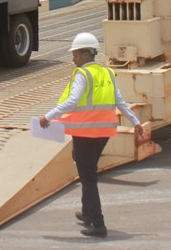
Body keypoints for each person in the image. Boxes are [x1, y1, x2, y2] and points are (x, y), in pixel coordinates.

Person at [40, 32, 146, 238]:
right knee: (87, 170)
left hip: (85, 132)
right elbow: (119, 101)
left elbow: (72, 101)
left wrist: (48, 116)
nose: (73, 58)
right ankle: (87, 213)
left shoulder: (83, 74)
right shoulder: (106, 73)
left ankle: (98, 223)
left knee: (88, 178)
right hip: (103, 132)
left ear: (86, 54)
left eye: (76, 54)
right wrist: (136, 122)